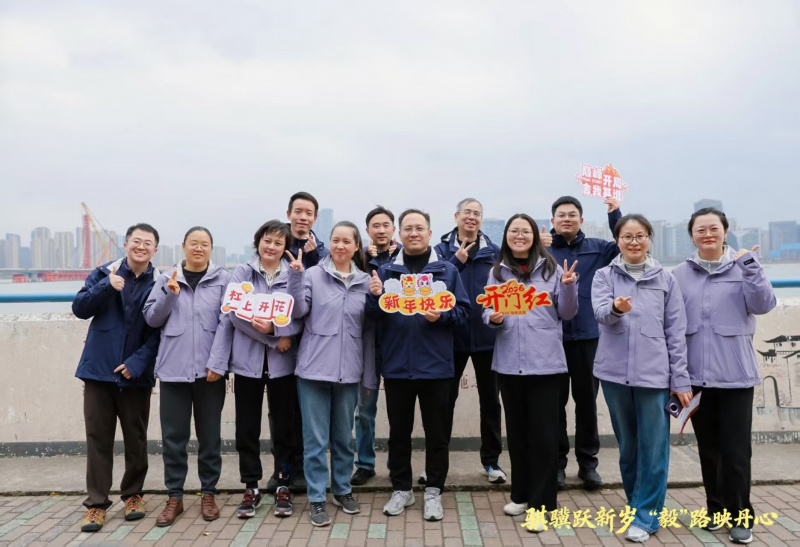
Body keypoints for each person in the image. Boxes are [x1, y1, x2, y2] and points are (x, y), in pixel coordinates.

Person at [672, 208, 776, 545]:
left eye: (713, 228)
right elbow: (673, 328)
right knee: (709, 450)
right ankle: (715, 510)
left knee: (736, 452)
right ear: (692, 235)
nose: (707, 234)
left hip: (735, 378)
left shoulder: (743, 266)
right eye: (700, 229)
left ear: (725, 232)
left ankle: (740, 515)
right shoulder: (679, 275)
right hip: (696, 380)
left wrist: (751, 267)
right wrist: (679, 378)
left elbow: (763, 304)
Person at [592, 213, 692, 543]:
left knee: (654, 448)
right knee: (629, 447)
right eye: (627, 237)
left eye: (640, 236)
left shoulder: (666, 279)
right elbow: (600, 314)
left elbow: (676, 332)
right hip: (614, 375)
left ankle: (647, 516)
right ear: (617, 241)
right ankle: (636, 503)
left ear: (649, 239)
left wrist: (680, 380)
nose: (634, 242)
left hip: (654, 376)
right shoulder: (604, 276)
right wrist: (616, 308)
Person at [367, 209, 470, 522]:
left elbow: (464, 313)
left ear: (429, 233)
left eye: (419, 228)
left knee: (437, 434)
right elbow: (373, 316)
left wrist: (443, 316)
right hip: (397, 366)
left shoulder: (447, 271)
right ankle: (402, 488)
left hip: (436, 367)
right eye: (408, 228)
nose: (414, 233)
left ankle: (434, 490)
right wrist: (375, 297)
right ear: (399, 234)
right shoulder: (386, 272)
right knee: (398, 433)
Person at [483, 214, 578, 532]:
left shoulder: (552, 270)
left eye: (525, 231)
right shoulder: (498, 272)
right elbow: (486, 308)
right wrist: (492, 317)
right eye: (514, 231)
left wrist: (569, 287)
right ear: (506, 236)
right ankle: (521, 495)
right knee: (518, 435)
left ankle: (542, 505)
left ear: (535, 236)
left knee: (544, 437)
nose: (519, 236)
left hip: (545, 365)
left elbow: (567, 312)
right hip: (509, 365)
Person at [207, 220, 304, 518]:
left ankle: (283, 482)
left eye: (278, 242)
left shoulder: (292, 275)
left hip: (283, 368)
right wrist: (274, 338)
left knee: (285, 430)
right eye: (267, 240)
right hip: (247, 366)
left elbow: (301, 315)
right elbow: (235, 315)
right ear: (258, 241)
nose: (271, 247)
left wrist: (278, 328)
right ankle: (251, 487)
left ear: (285, 247)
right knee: (246, 429)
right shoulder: (242, 272)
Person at [71, 223, 161, 533]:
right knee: (98, 439)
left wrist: (137, 363)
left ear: (155, 250)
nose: (141, 246)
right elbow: (80, 308)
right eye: (136, 241)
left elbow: (160, 331)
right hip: (99, 372)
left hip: (135, 375)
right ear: (126, 244)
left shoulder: (159, 283)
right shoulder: (103, 273)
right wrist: (106, 286)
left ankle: (133, 495)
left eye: (147, 243)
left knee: (136, 439)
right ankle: (96, 504)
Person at [287, 221, 377, 527]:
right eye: (335, 240)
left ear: (356, 246)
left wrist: (369, 378)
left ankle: (342, 489)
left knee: (343, 438)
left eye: (347, 241)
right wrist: (295, 277)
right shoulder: (313, 274)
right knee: (314, 441)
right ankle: (316, 497)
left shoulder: (366, 282)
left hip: (349, 372)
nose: (340, 245)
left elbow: (368, 335)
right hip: (313, 371)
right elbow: (297, 312)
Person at [143, 227, 230, 526]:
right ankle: (175, 496)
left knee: (210, 437)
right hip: (173, 371)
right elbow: (152, 318)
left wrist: (218, 363)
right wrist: (170, 294)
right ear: (183, 246)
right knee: (173, 439)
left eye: (204, 244)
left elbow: (227, 324)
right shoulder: (166, 278)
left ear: (211, 248)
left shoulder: (223, 280)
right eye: (194, 243)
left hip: (210, 373)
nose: (198, 248)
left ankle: (209, 493)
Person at [548, 195, 621, 489]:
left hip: (589, 337)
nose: (566, 219)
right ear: (552, 220)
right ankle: (556, 465)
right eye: (561, 215)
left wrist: (615, 214)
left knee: (587, 404)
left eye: (572, 215)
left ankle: (588, 464)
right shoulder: (542, 250)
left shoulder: (598, 248)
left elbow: (624, 246)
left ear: (581, 220)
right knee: (554, 405)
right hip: (551, 338)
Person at [434, 198, 505, 484]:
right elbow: (434, 286)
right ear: (456, 216)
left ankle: (491, 462)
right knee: (443, 403)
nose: (472, 217)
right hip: (452, 337)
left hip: (488, 337)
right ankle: (436, 464)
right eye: (467, 212)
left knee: (491, 403)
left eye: (477, 213)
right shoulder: (441, 250)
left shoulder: (494, 251)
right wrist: (457, 262)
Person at [352, 206, 401, 487]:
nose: (381, 230)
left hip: (396, 344)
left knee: (398, 411)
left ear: (393, 229)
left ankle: (397, 465)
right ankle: (365, 464)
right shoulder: (359, 260)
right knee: (364, 409)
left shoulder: (404, 258)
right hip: (367, 344)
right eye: (375, 226)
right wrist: (366, 258)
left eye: (386, 225)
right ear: (367, 230)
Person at [286, 191, 330, 270]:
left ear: (315, 218)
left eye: (309, 214)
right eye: (298, 212)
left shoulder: (325, 255)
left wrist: (312, 258)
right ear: (289, 214)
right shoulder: (275, 248)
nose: (303, 217)